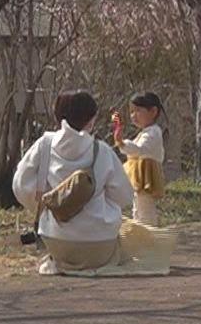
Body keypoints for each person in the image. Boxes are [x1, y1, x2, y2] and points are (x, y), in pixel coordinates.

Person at [13, 90, 174, 276]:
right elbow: (124, 196)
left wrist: (46, 205)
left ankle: (61, 259)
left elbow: (19, 184)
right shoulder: (102, 151)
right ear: (90, 120)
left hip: (55, 240)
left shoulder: (44, 145)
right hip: (98, 244)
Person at [111, 92, 167, 226]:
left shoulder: (154, 132)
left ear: (153, 111)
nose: (133, 115)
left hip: (146, 177)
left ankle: (148, 237)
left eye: (138, 110)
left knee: (145, 209)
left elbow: (139, 150)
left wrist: (122, 142)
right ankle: (142, 234)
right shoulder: (145, 132)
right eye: (131, 111)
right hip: (139, 178)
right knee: (139, 208)